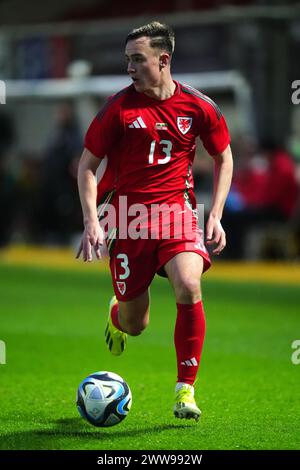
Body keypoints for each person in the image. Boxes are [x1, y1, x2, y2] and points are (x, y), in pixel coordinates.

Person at [76, 21, 233, 421]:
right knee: (136, 324)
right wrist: (93, 221)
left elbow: (223, 156)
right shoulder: (117, 109)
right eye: (127, 59)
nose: (129, 67)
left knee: (189, 284)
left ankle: (185, 390)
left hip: (177, 213)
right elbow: (87, 167)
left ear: (163, 61)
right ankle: (117, 315)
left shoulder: (198, 107)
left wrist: (214, 214)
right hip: (127, 220)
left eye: (137, 59)